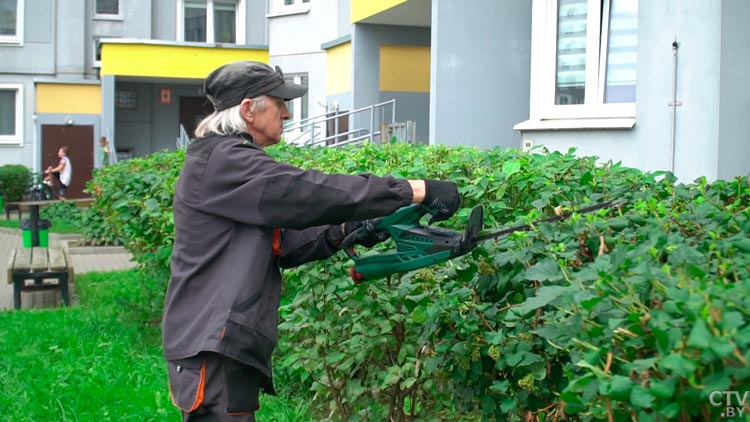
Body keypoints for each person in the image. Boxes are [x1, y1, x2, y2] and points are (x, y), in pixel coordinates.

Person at [162, 60, 461, 421]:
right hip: (211, 343)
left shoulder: (227, 162)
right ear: (248, 110)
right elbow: (309, 192)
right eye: (280, 102)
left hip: (220, 340)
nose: (287, 113)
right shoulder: (226, 161)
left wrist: (352, 229)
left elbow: (283, 244)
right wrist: (415, 190)